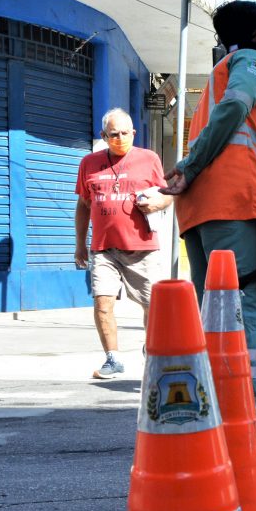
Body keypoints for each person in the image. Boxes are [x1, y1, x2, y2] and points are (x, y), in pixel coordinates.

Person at [160, 0, 256, 455]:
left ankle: (219, 421)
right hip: (234, 204)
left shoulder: (218, 71)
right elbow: (237, 108)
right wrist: (189, 164)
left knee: (216, 321)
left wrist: (191, 170)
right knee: (249, 314)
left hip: (202, 210)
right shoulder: (251, 61)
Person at [74, 108, 172, 379]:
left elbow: (166, 195)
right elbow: (83, 205)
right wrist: (80, 244)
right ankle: (112, 358)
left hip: (142, 248)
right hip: (103, 248)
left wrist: (158, 202)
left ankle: (151, 351)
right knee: (102, 302)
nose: (119, 139)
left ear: (134, 133)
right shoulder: (89, 163)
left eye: (124, 133)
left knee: (152, 305)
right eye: (113, 134)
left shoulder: (149, 159)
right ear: (103, 136)